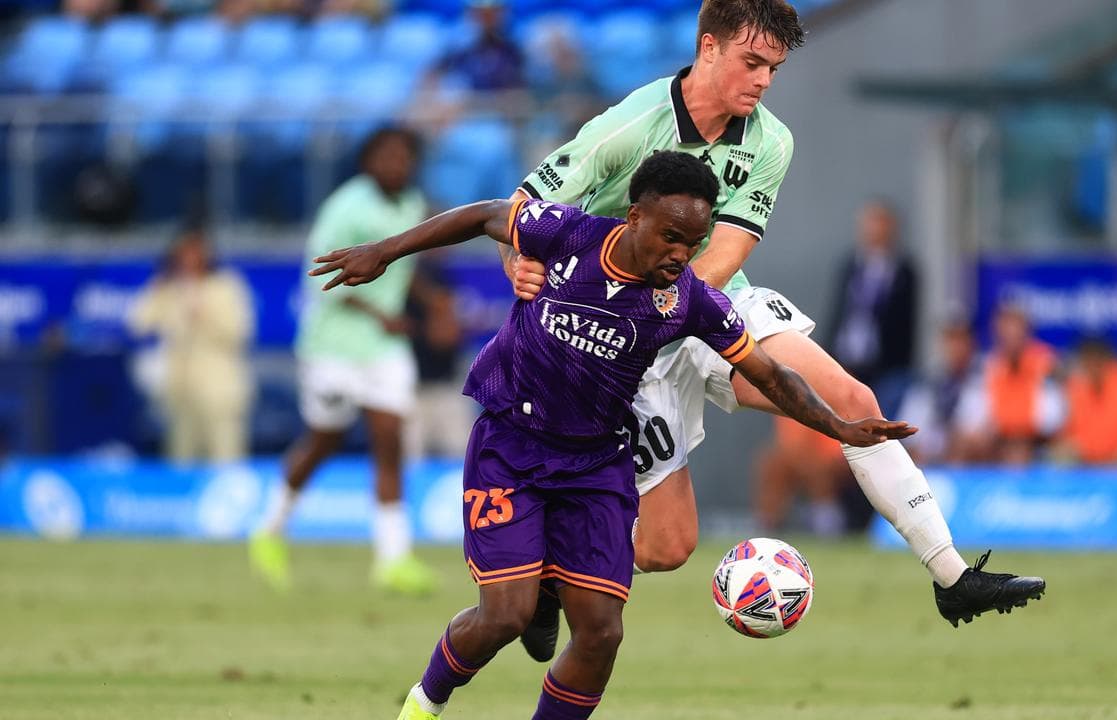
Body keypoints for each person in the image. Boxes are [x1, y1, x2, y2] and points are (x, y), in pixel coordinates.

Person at [504, 0, 1045, 649]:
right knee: (666, 547)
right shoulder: (628, 126)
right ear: (708, 48)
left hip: (705, 303)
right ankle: (551, 573)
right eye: (751, 62)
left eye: (774, 69)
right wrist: (522, 266)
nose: (762, 80)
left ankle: (952, 577)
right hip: (612, 339)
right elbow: (522, 207)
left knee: (849, 400)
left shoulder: (770, 142)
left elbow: (726, 254)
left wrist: (683, 316)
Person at [311, 151, 921, 720]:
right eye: (670, 236)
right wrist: (385, 251)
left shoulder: (690, 303)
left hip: (596, 463)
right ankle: (422, 704)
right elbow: (484, 215)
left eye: (695, 241)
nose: (682, 253)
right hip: (511, 447)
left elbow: (769, 373)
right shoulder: (567, 235)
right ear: (635, 216)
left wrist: (840, 426)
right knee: (506, 615)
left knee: (602, 632)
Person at [247, 127, 436, 595]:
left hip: (384, 349)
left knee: (388, 438)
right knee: (324, 440)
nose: (396, 165)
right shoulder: (345, 207)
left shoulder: (412, 204)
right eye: (386, 156)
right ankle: (270, 527)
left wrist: (433, 302)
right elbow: (319, 277)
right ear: (367, 161)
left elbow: (399, 265)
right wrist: (380, 314)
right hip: (333, 346)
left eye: (404, 157)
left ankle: (393, 558)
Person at [128, 228, 255, 463]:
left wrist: (203, 312)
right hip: (181, 391)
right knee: (181, 459)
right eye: (181, 256)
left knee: (226, 458)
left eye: (193, 255)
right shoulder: (170, 289)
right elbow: (138, 324)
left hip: (219, 389)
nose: (188, 261)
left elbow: (239, 333)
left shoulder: (225, 286)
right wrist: (155, 290)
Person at [951, 303, 1064, 465]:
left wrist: (1015, 427)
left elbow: (1052, 419)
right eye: (1006, 333)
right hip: (997, 440)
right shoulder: (987, 367)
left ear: (1027, 333)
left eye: (1016, 333)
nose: (1011, 339)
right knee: (965, 443)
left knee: (1026, 450)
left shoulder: (1046, 365)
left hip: (1034, 441)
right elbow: (969, 417)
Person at [827, 200, 918, 387]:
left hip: (885, 367)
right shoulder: (851, 265)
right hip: (845, 360)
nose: (873, 229)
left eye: (880, 222)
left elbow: (906, 322)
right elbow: (838, 311)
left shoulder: (902, 270)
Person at [402, 257, 472, 461]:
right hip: (409, 390)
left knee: (461, 455)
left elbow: (446, 337)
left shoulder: (437, 273)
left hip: (446, 387)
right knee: (409, 460)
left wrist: (438, 309)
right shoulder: (395, 288)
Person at [896, 318, 981, 465]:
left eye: (961, 340)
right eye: (951, 340)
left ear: (971, 344)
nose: (956, 347)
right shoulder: (928, 380)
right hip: (930, 452)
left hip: (965, 453)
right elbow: (908, 428)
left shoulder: (981, 377)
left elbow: (977, 427)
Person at [1052, 336, 1117, 465]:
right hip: (1083, 457)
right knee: (1060, 455)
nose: (1094, 366)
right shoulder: (1073, 386)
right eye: (1089, 361)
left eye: (1098, 361)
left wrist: (1116, 455)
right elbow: (1065, 430)